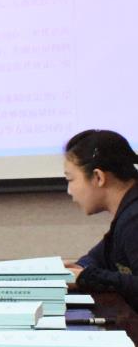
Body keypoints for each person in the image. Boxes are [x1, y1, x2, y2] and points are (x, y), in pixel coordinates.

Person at [63, 129, 138, 311]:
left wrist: (85, 277)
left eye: (70, 179)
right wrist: (78, 268)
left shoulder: (134, 220)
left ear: (98, 177)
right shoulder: (127, 214)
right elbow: (97, 258)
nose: (69, 191)